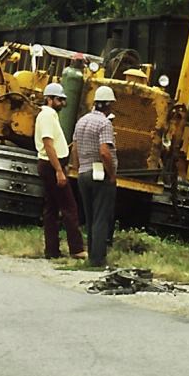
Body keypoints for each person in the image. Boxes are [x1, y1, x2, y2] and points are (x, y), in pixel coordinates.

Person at [34, 83, 86, 259]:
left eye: (63, 100)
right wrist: (59, 170)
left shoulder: (50, 115)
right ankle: (77, 249)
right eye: (59, 99)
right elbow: (48, 144)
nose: (63, 103)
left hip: (50, 165)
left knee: (51, 208)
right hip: (51, 166)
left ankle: (52, 250)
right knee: (69, 207)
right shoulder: (47, 116)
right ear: (49, 99)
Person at [70, 86, 117, 267]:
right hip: (99, 174)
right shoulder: (105, 123)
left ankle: (91, 256)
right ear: (108, 105)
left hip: (83, 173)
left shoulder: (82, 121)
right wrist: (111, 174)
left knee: (90, 217)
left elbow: (74, 147)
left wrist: (78, 167)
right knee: (101, 217)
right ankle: (98, 259)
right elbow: (105, 152)